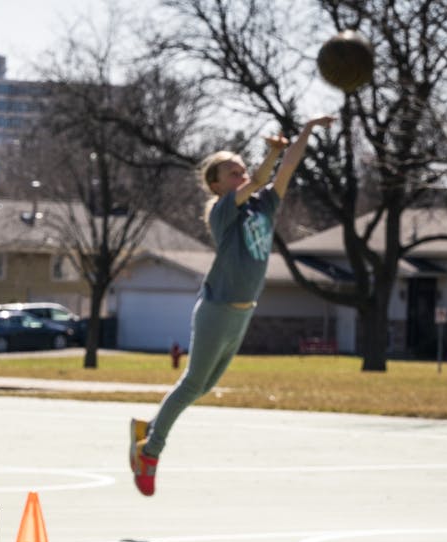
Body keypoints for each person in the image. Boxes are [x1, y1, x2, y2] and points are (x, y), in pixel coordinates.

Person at [129, 116, 335, 496]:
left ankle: (147, 430)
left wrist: (305, 132)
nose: (240, 171)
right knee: (193, 382)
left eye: (241, 166)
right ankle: (149, 452)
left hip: (242, 310)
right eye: (231, 169)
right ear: (216, 184)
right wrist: (271, 153)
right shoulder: (222, 210)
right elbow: (261, 177)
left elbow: (286, 169)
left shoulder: (265, 205)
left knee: (202, 386)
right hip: (217, 307)